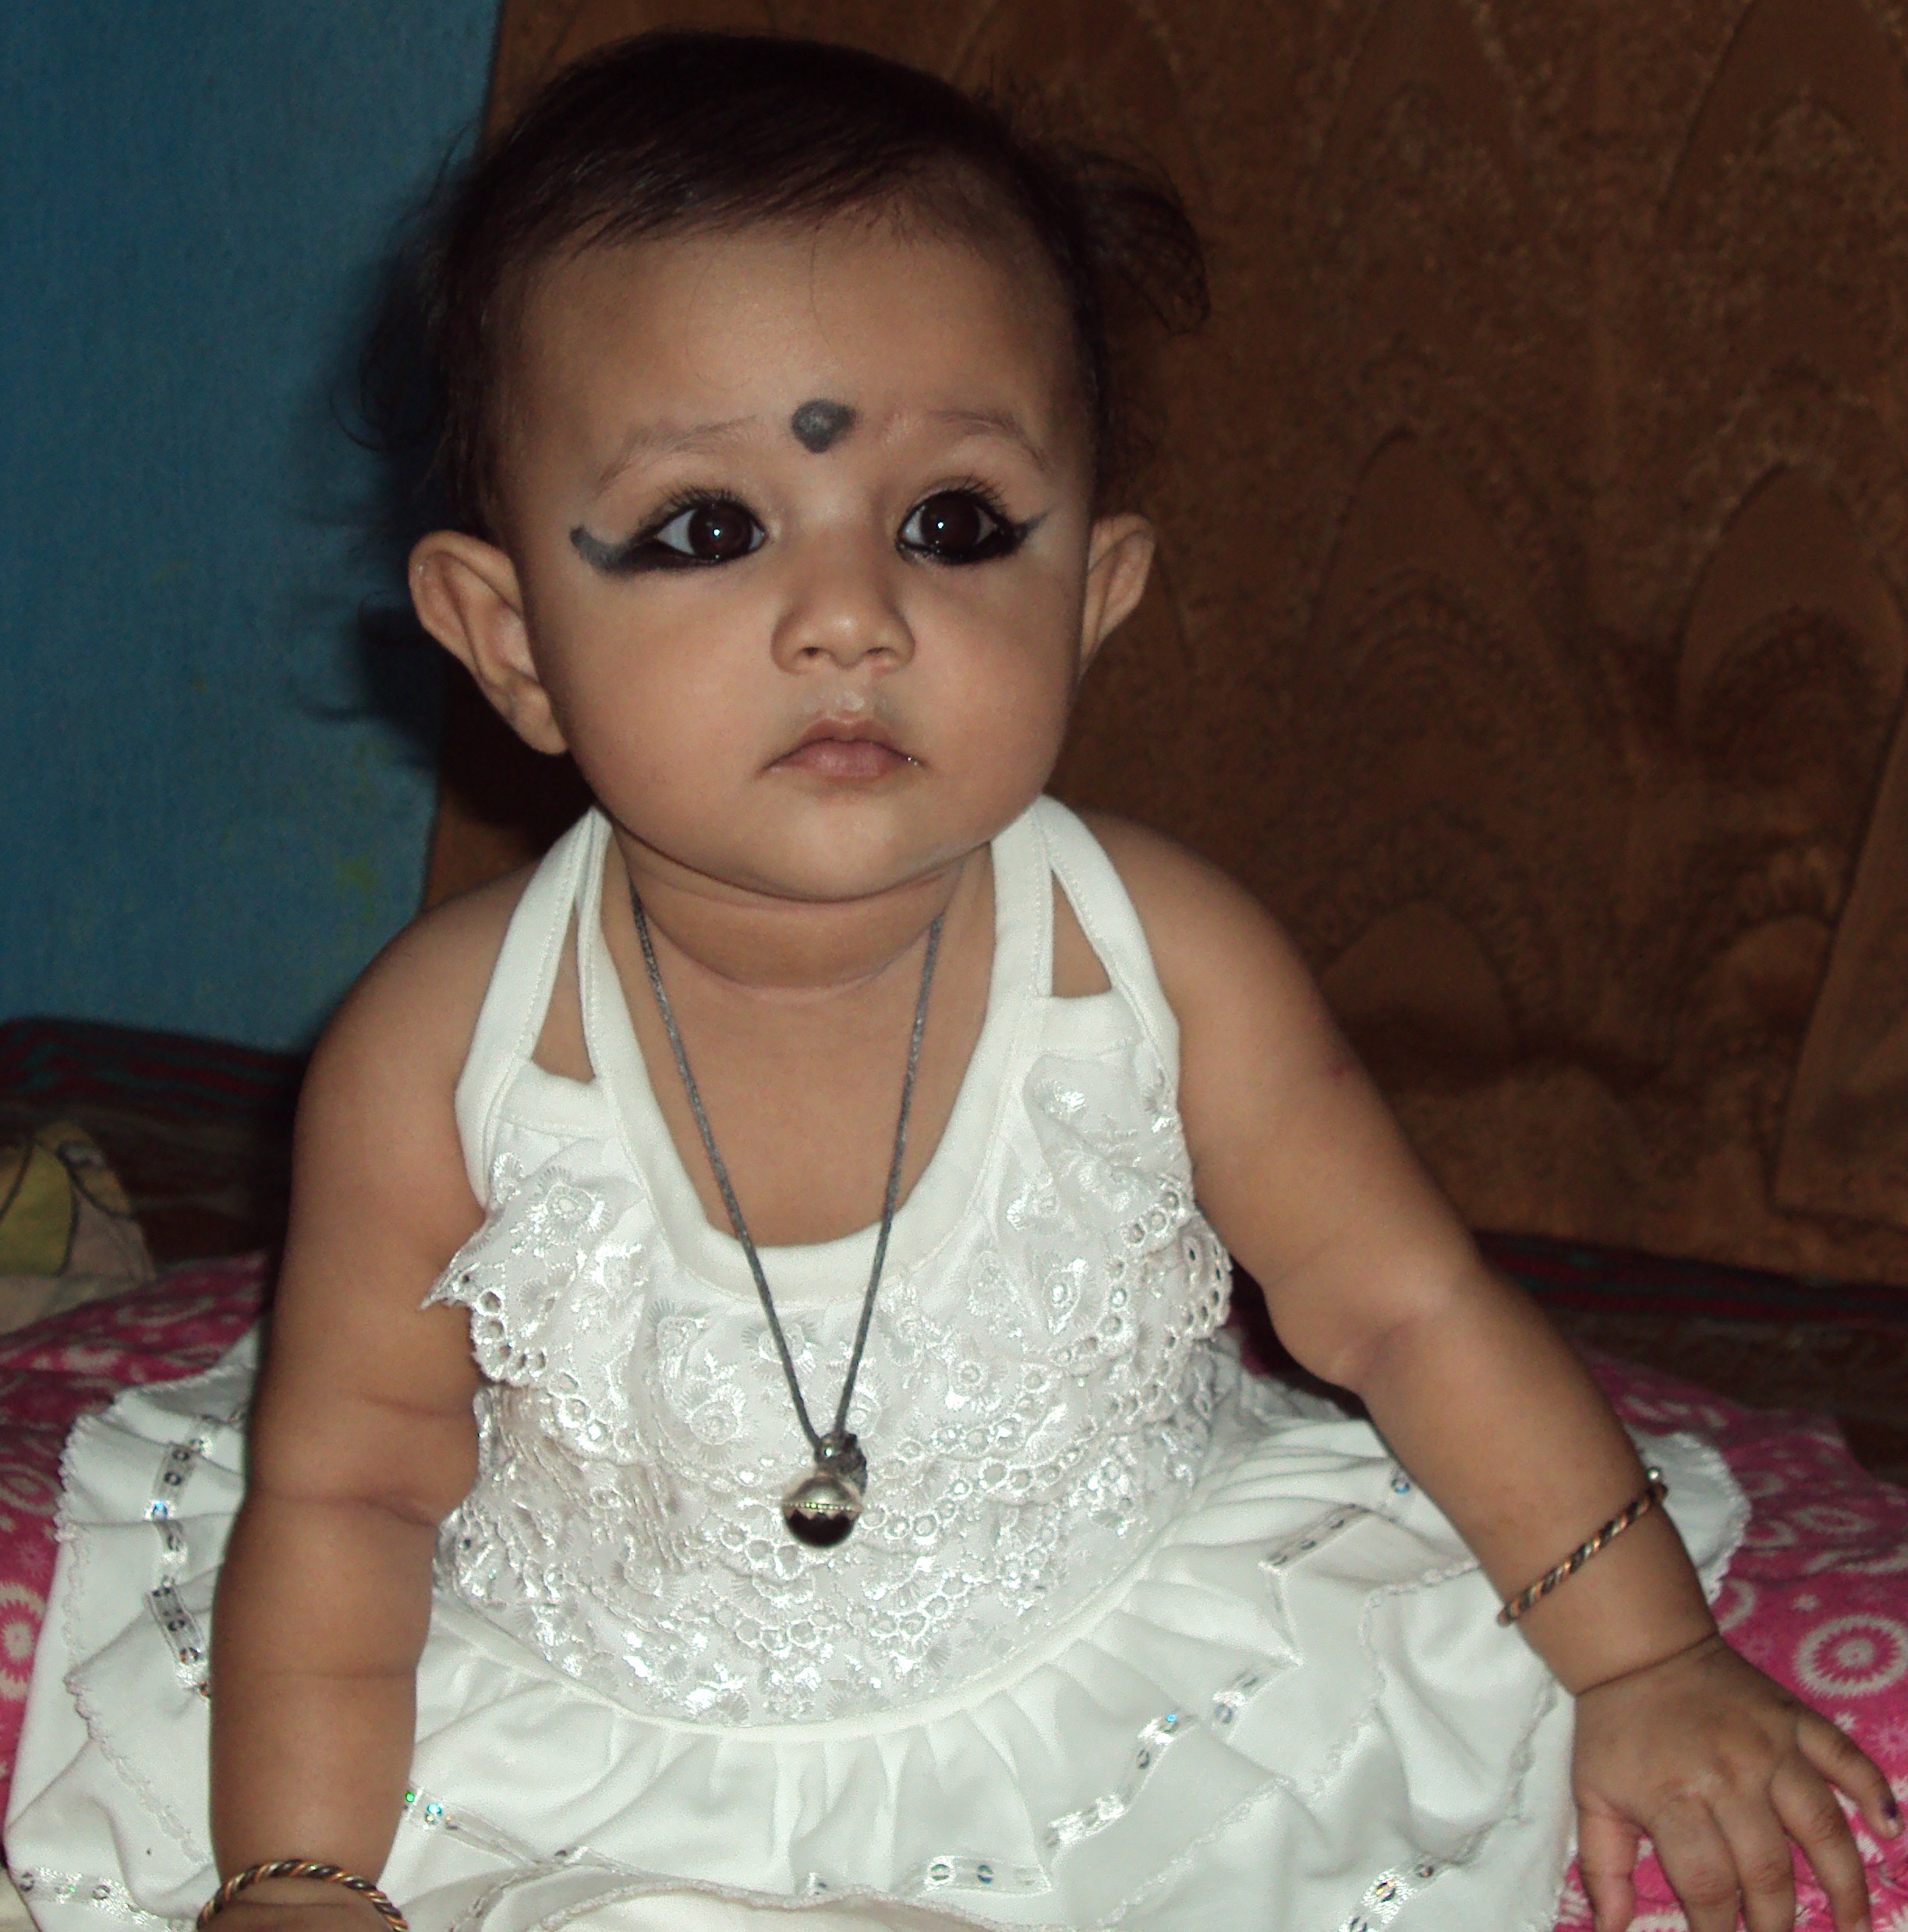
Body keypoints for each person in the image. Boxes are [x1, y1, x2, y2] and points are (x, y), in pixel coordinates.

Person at [8, 30, 1899, 1932]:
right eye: (708, 529)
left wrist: (1649, 1659)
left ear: (1096, 591)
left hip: (1126, 1676)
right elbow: (350, 1488)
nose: (852, 616)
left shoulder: (1163, 964)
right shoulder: (438, 1053)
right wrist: (304, 1873)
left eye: (956, 526)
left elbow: (1409, 1312)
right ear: (508, 643)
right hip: (589, 1716)